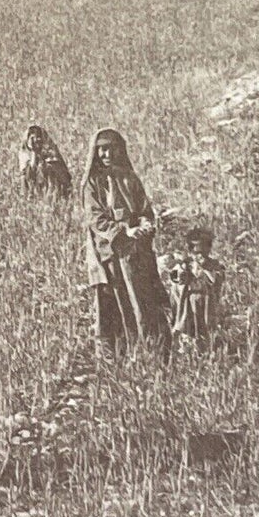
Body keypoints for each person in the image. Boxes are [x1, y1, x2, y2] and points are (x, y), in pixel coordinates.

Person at [81, 128, 170, 356]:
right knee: (115, 300)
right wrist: (123, 231)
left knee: (142, 298)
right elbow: (96, 219)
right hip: (110, 250)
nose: (106, 154)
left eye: (111, 148)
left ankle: (150, 349)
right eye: (101, 149)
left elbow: (144, 209)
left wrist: (145, 225)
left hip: (135, 250)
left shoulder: (130, 178)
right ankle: (119, 351)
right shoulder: (93, 183)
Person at [159, 226, 226, 345]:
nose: (200, 257)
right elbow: (175, 279)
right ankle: (187, 345)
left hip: (206, 302)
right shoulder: (186, 264)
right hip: (188, 302)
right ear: (190, 251)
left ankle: (206, 345)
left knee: (206, 328)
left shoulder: (213, 265)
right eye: (196, 253)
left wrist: (205, 268)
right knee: (187, 326)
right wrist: (180, 272)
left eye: (204, 253)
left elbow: (216, 281)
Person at [17, 123, 73, 200]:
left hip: (53, 189)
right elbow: (28, 174)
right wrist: (34, 152)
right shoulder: (25, 153)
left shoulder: (49, 149)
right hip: (34, 188)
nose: (36, 141)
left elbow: (62, 173)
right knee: (25, 175)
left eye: (38, 138)